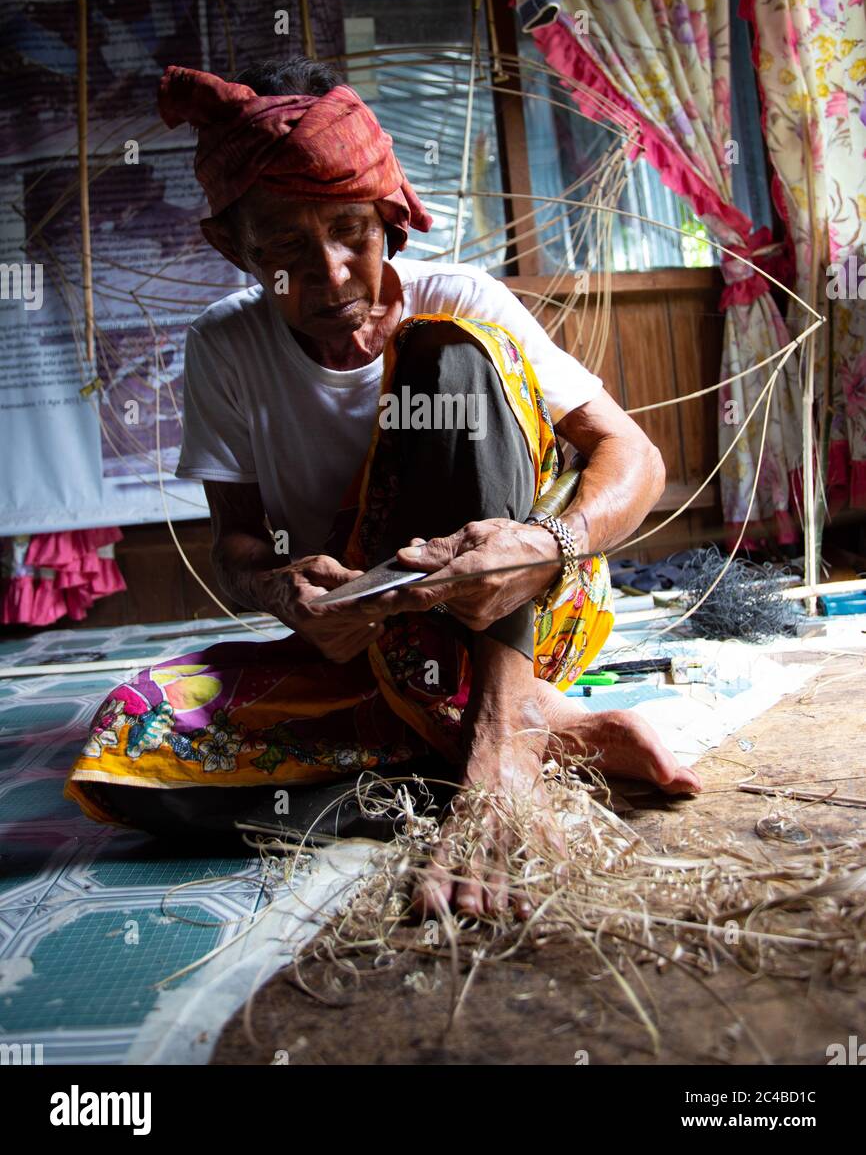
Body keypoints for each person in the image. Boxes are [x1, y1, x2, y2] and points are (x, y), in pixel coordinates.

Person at [64, 55, 700, 917]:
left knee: (446, 353)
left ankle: (504, 729)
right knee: (129, 750)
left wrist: (548, 543)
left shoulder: (462, 298)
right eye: (286, 244)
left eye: (351, 232)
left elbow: (637, 458)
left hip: (518, 612)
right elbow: (236, 543)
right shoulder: (226, 348)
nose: (328, 276)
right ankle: (554, 737)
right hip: (366, 645)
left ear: (391, 220)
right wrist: (279, 589)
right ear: (233, 246)